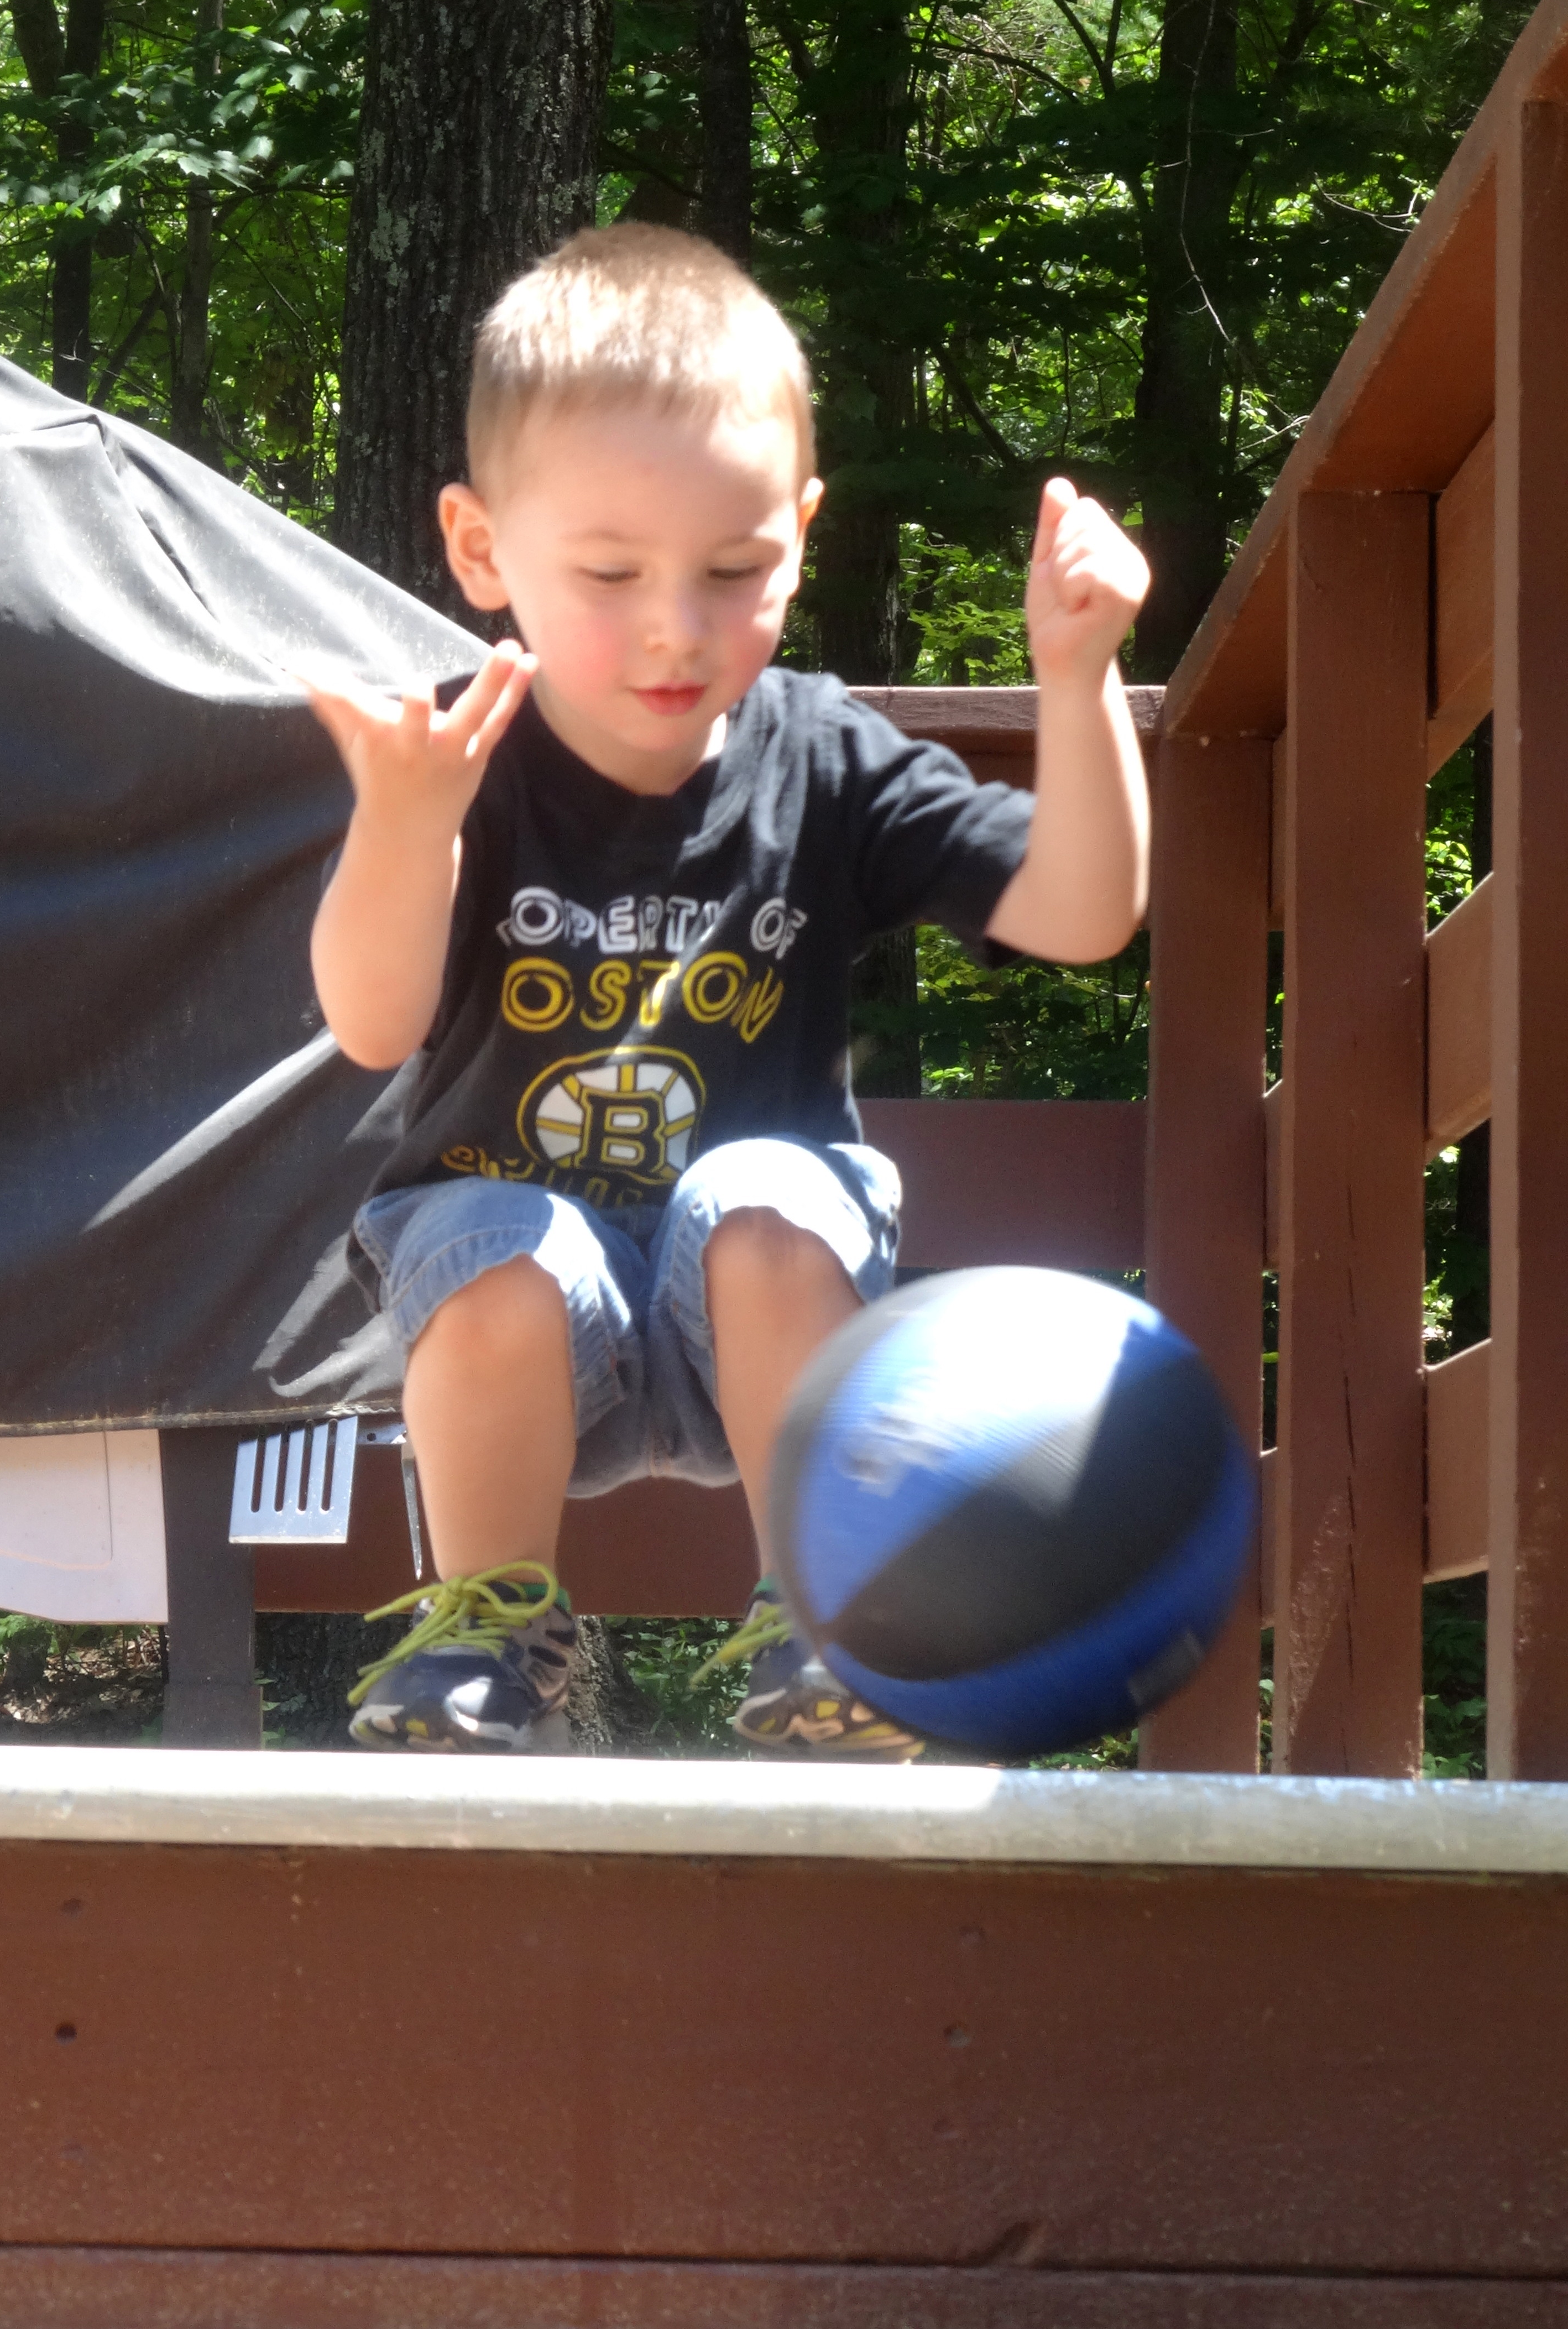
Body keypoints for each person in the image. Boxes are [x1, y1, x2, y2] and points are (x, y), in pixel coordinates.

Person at [307, 222, 1149, 1761]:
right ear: (483, 551)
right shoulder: (458, 762)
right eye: (609, 572)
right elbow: (371, 1024)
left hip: (758, 1307)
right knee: (491, 1234)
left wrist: (1077, 682)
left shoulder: (823, 756)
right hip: (518, 1321)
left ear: (801, 536)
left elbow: (1085, 914)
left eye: (735, 570)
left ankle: (831, 1618)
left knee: (761, 1194)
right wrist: (405, 831)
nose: (675, 627)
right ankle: (488, 1630)